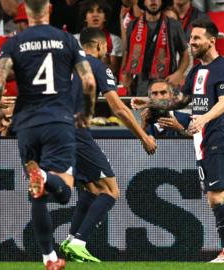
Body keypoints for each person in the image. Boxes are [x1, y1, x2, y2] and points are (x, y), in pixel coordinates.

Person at [0, 0, 96, 269]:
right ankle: (45, 175)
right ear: (49, 8)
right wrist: (87, 113)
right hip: (58, 121)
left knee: (37, 194)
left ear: (26, 10)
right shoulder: (67, 40)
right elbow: (89, 81)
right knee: (64, 194)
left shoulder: (14, 41)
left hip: (26, 124)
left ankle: (48, 257)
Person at [131, 19, 224, 263]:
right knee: (214, 196)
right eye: (191, 39)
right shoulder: (196, 71)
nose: (191, 43)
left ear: (212, 40)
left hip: (218, 138)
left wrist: (202, 120)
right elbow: (181, 100)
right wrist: (149, 103)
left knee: (218, 196)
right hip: (202, 140)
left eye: (197, 39)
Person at [59, 27, 156, 263]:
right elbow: (118, 108)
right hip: (76, 131)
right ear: (101, 46)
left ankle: (71, 240)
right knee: (111, 190)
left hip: (55, 130)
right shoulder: (97, 66)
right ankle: (80, 242)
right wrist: (144, 136)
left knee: (91, 189)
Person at [122, 0, 189, 96]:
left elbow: (185, 54)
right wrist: (125, 73)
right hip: (141, 84)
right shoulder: (132, 25)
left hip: (167, 82)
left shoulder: (174, 25)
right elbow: (127, 51)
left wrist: (178, 74)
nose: (153, 1)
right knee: (141, 110)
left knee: (165, 110)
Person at [75, 0, 123, 76]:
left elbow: (112, 70)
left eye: (99, 11)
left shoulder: (115, 40)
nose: (95, 15)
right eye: (91, 11)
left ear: (105, 18)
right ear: (85, 17)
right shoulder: (74, 39)